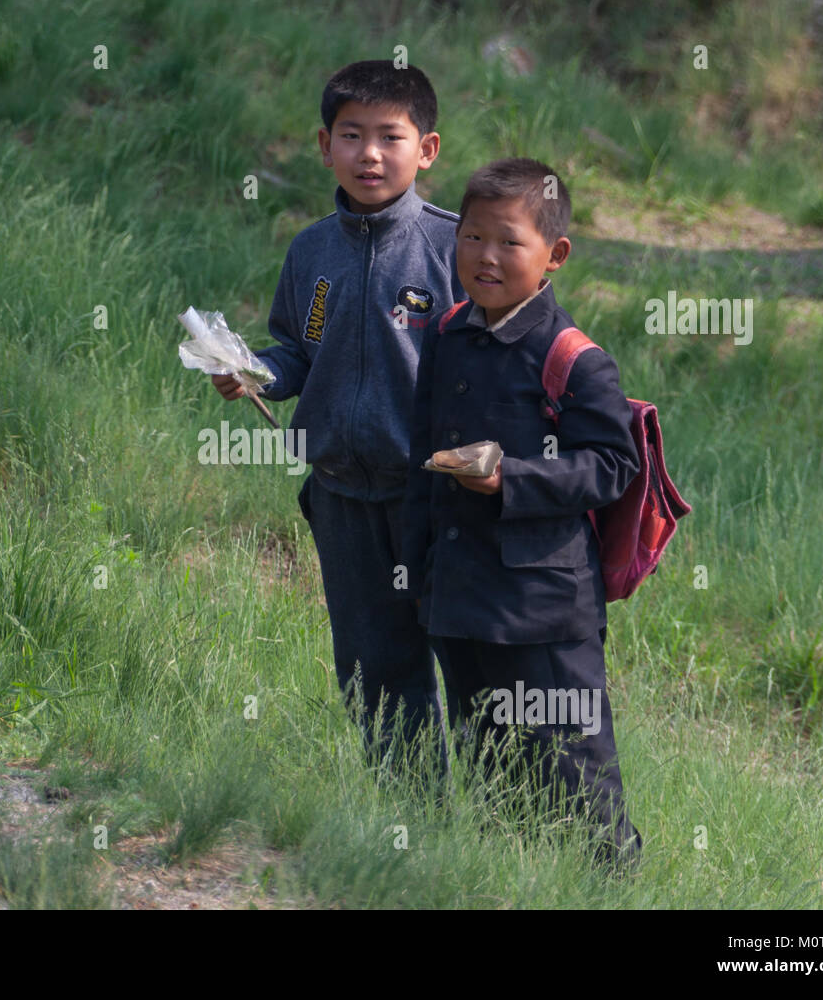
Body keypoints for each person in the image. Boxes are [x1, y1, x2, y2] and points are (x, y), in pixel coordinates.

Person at [213, 59, 466, 774]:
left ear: (428, 149)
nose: (371, 154)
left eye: (391, 136)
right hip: (341, 496)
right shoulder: (312, 251)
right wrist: (253, 372)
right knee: (374, 669)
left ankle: (510, 821)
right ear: (324, 146)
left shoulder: (453, 248)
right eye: (352, 136)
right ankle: (411, 822)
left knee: (472, 660)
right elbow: (299, 349)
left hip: (435, 498)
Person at [399, 157, 642, 866]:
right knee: (492, 763)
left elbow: (611, 465)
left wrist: (512, 478)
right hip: (459, 596)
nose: (486, 257)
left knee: (576, 771)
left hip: (544, 607)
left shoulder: (575, 357)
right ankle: (513, 883)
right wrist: (417, 572)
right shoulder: (446, 332)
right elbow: (422, 453)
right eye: (472, 238)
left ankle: (612, 884)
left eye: (509, 241)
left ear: (555, 256)